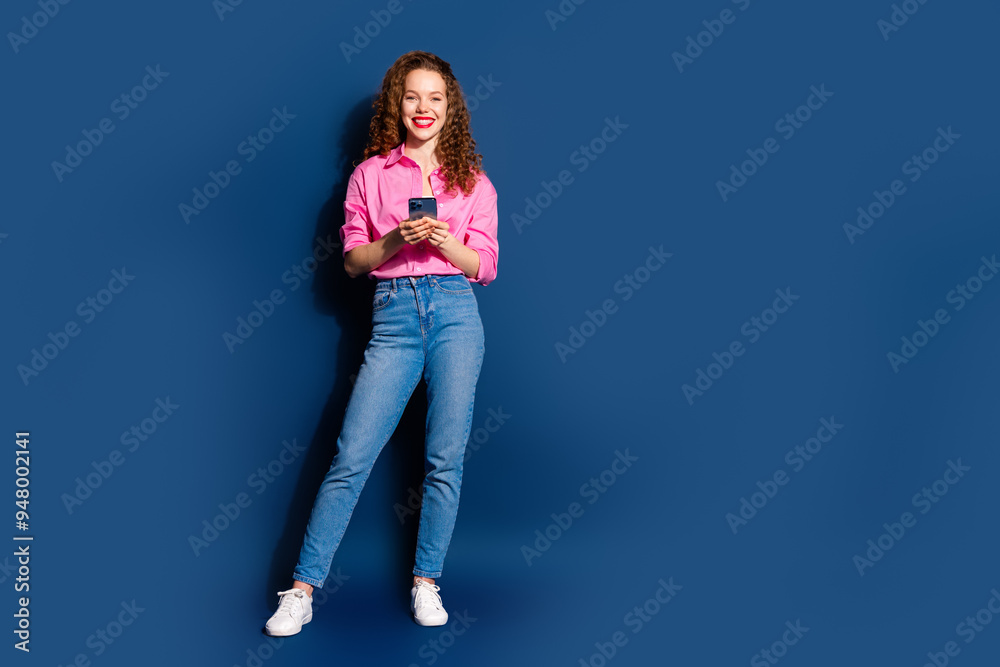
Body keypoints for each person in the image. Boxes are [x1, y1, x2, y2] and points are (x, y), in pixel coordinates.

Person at [264, 50, 499, 637]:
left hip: (455, 313)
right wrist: (397, 237)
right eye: (413, 97)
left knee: (444, 459)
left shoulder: (473, 181)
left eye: (436, 98)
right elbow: (350, 261)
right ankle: (300, 591)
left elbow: (486, 266)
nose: (424, 108)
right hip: (394, 318)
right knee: (351, 457)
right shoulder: (371, 174)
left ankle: (427, 582)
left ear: (451, 109)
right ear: (398, 105)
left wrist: (444, 243)